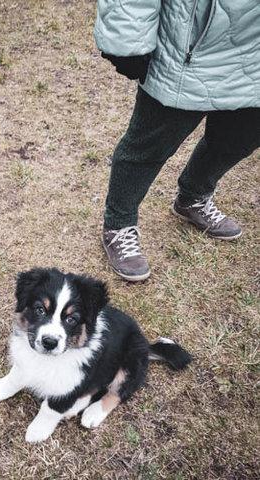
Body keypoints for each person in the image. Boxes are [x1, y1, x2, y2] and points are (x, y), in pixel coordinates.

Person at [94, 0, 260, 282]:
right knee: (147, 146)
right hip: (188, 48)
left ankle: (193, 197)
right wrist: (127, 40)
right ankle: (118, 224)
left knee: (242, 136)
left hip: (254, 51)